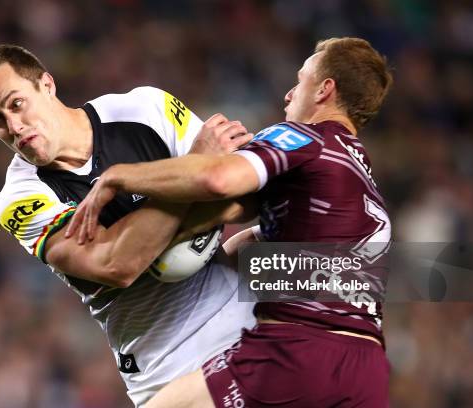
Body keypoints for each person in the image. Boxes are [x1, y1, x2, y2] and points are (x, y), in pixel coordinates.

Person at [72, 37, 394, 407]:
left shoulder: (304, 138)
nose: (289, 95)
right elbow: (277, 249)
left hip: (297, 355)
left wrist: (119, 177)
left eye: (300, 81)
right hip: (367, 369)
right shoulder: (362, 178)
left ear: (325, 89)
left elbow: (217, 180)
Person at [0, 44, 257, 407]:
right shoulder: (19, 197)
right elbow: (117, 265)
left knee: (322, 262)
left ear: (47, 85)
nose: (13, 126)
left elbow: (246, 197)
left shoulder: (144, 109)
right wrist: (192, 171)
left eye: (16, 104)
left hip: (247, 309)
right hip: (170, 363)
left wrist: (156, 231)